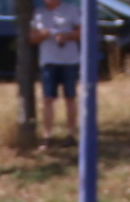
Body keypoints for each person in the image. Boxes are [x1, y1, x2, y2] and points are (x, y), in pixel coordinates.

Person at [30, 0, 82, 150]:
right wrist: (43, 34)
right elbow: (32, 37)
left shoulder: (71, 10)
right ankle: (47, 136)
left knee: (70, 97)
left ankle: (71, 135)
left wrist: (67, 36)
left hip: (69, 61)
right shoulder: (39, 13)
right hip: (48, 61)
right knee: (48, 99)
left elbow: (82, 33)